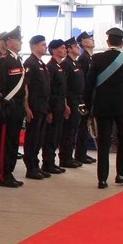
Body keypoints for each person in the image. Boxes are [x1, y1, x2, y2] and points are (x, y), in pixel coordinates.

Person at [84, 27, 123, 189]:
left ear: (107, 41)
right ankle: (121, 174)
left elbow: (89, 84)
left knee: (104, 141)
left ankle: (102, 179)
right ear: (121, 43)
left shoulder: (97, 58)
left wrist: (88, 105)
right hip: (121, 105)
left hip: (102, 105)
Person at [0, 27, 27, 187]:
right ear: (9, 42)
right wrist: (3, 105)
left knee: (13, 141)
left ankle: (9, 172)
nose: (20, 42)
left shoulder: (17, 60)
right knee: (5, 142)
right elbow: (1, 86)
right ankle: (2, 175)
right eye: (18, 40)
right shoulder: (4, 61)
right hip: (8, 106)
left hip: (18, 105)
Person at [23, 35, 51, 180]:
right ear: (34, 47)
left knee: (39, 137)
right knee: (32, 137)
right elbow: (26, 86)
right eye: (42, 45)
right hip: (34, 105)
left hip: (42, 105)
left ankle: (36, 165)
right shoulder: (30, 63)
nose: (45, 47)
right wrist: (26, 107)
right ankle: (31, 167)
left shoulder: (41, 63)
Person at [43, 38, 69, 174]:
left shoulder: (60, 66)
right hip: (52, 105)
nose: (65, 50)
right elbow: (48, 90)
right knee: (51, 135)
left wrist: (65, 105)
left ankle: (52, 162)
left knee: (57, 134)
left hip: (60, 104)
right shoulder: (51, 67)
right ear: (54, 50)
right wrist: (48, 111)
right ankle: (48, 163)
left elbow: (63, 89)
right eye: (62, 48)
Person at [60, 38, 85, 169]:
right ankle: (65, 157)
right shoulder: (66, 64)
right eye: (75, 46)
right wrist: (66, 103)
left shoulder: (75, 64)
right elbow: (65, 86)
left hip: (77, 99)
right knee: (68, 130)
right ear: (69, 48)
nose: (78, 48)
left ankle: (70, 156)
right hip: (70, 99)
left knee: (74, 129)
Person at [73, 31, 96, 164]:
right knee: (82, 127)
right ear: (83, 42)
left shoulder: (90, 57)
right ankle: (79, 154)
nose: (92, 40)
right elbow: (85, 80)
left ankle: (83, 152)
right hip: (85, 96)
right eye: (89, 39)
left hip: (90, 95)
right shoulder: (83, 58)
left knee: (85, 127)